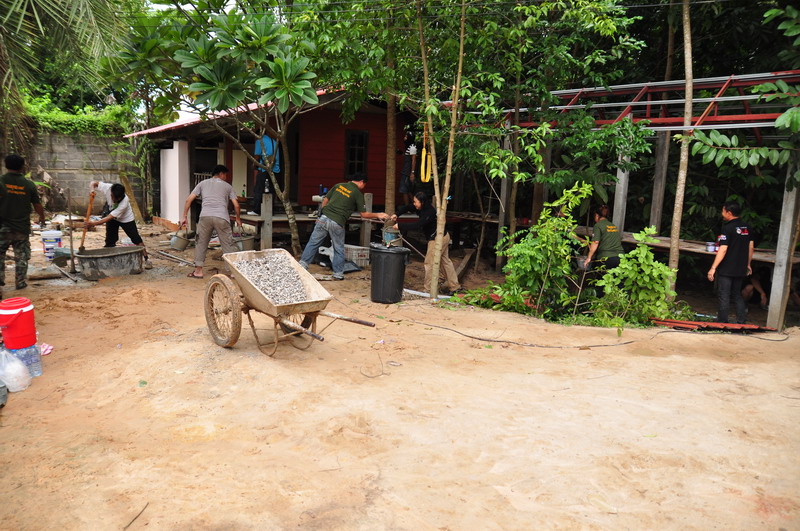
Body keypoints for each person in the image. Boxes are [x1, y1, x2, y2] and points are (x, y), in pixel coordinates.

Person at [299, 172, 387, 280]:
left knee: (313, 243)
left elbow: (325, 200)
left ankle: (302, 266)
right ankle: (338, 274)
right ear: (361, 182)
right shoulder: (357, 193)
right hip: (337, 222)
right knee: (338, 248)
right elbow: (364, 214)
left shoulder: (338, 185)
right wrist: (378, 215)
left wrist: (324, 213)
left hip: (323, 218)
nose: (364, 187)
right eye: (364, 184)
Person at [392, 191, 461, 295]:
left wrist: (400, 225)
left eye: (416, 202)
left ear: (422, 202)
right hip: (444, 236)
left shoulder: (429, 212)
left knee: (429, 263)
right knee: (445, 262)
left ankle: (428, 290)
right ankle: (455, 286)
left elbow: (417, 225)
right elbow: (407, 207)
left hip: (437, 238)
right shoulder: (419, 207)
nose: (414, 204)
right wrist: (396, 214)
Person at [181, 165, 242, 279]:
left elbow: (188, 200)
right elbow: (236, 205)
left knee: (201, 243)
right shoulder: (228, 186)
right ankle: (232, 272)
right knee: (227, 244)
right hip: (222, 217)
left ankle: (198, 271)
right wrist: (238, 219)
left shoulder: (202, 184)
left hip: (205, 216)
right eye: (225, 175)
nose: (226, 177)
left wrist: (184, 216)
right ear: (221, 174)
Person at [0, 154, 45, 293]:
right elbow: (37, 205)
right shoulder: (28, 184)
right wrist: (42, 217)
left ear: (6, 165)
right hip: (21, 228)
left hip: (2, 227)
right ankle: (20, 282)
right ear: (22, 167)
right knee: (21, 256)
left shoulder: (1, 181)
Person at [85, 183, 153, 269]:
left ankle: (146, 259)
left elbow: (109, 218)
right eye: (112, 197)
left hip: (125, 219)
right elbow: (93, 183)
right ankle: (109, 260)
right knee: (110, 240)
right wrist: (92, 190)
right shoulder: (108, 188)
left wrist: (93, 223)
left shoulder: (124, 202)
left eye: (116, 199)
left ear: (121, 197)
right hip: (112, 215)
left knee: (136, 238)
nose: (113, 199)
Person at [707, 201, 753, 323]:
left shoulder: (727, 228)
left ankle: (722, 322)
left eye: (723, 211)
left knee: (724, 295)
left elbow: (723, 249)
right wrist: (748, 264)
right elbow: (751, 247)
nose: (722, 214)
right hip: (740, 267)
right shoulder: (747, 227)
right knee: (737, 294)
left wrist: (713, 267)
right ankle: (741, 321)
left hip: (727, 268)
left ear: (729, 213)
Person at [582, 205, 623, 271]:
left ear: (596, 215)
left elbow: (595, 242)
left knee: (602, 276)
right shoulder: (613, 225)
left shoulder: (598, 225)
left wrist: (589, 258)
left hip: (606, 258)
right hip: (620, 257)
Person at [250, 135, 280, 215]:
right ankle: (270, 210)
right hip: (275, 170)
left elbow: (257, 156)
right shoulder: (274, 142)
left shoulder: (259, 141)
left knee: (259, 189)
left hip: (264, 169)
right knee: (271, 190)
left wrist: (253, 165)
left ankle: (257, 210)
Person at [399, 131, 418, 206]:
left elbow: (413, 160)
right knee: (408, 191)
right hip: (406, 171)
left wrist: (412, 173)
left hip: (407, 172)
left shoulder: (412, 147)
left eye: (406, 137)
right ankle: (414, 207)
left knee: (404, 190)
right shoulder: (409, 147)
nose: (404, 138)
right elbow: (408, 157)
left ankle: (407, 207)